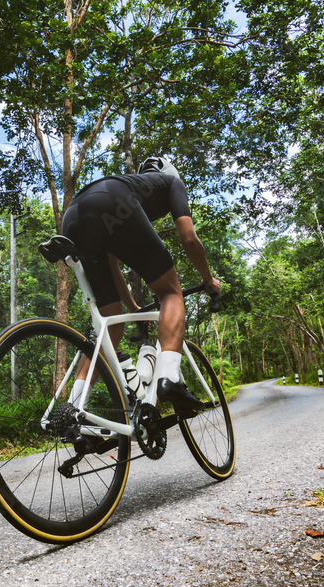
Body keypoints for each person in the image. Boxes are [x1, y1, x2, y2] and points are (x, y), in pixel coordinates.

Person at [61, 157, 221, 411]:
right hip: (111, 200)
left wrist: (134, 308)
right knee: (171, 293)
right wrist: (207, 278)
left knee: (111, 322)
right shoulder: (172, 182)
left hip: (72, 218)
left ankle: (73, 408)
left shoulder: (135, 188)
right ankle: (169, 377)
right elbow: (189, 239)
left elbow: (112, 264)